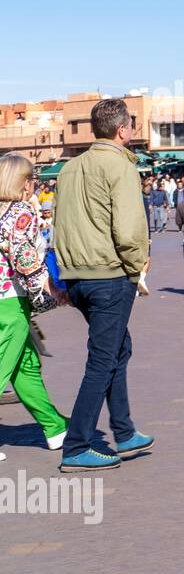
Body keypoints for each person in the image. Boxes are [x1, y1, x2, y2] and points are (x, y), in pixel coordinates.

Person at [52, 98, 153, 473]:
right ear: (122, 130)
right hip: (108, 275)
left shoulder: (69, 168)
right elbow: (127, 229)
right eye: (131, 126)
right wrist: (136, 266)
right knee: (102, 359)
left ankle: (124, 430)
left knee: (118, 348)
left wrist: (60, 271)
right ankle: (77, 444)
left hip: (78, 275)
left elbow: (57, 224)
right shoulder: (120, 166)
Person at [0, 154, 69, 462]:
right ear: (23, 183)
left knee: (24, 367)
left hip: (7, 300)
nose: (34, 186)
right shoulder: (19, 212)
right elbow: (25, 258)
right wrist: (51, 288)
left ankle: (54, 426)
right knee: (3, 366)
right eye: (33, 180)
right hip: (10, 301)